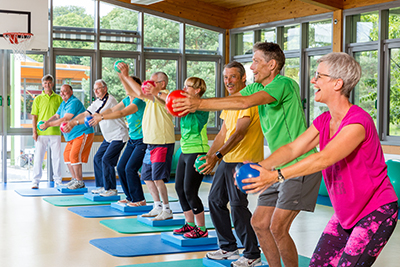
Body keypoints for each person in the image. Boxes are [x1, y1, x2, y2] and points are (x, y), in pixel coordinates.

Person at [173, 42, 322, 267]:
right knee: (260, 223)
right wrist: (190, 103)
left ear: (272, 65)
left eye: (255, 61)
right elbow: (234, 101)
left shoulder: (284, 84)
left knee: (277, 227)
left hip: (299, 165)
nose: (251, 67)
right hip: (275, 165)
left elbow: (244, 102)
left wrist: (199, 103)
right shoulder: (254, 88)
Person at [242, 52, 399, 267]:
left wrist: (275, 176)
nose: (313, 80)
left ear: (337, 83)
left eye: (319, 76)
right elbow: (292, 148)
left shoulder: (357, 122)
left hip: (375, 212)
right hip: (346, 214)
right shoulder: (324, 120)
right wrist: (261, 167)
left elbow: (323, 158)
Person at [197, 62, 263, 266]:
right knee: (215, 200)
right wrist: (210, 156)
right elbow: (224, 132)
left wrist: (216, 155)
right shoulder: (230, 102)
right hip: (228, 160)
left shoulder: (248, 101)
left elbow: (239, 133)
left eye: (233, 77)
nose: (228, 82)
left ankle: (252, 254)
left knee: (237, 206)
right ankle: (228, 248)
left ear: (243, 78)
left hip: (244, 161)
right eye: (226, 78)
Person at [118, 63, 175, 221]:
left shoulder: (164, 95)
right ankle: (156, 206)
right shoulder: (150, 98)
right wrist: (124, 76)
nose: (148, 84)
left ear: (161, 84)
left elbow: (142, 92)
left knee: (157, 178)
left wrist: (127, 76)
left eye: (153, 81)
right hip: (150, 143)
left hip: (162, 142)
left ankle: (167, 208)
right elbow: (134, 92)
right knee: (147, 176)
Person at [65, 79, 129, 197]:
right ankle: (102, 186)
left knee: (106, 160)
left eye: (98, 88)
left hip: (118, 135)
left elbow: (95, 115)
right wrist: (72, 122)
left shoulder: (109, 100)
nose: (96, 91)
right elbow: (85, 113)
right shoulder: (97, 102)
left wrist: (75, 123)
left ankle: (111, 189)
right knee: (97, 158)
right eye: (94, 89)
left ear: (105, 88)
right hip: (108, 137)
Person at [90, 76, 147, 207]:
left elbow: (122, 113)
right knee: (121, 167)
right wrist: (99, 115)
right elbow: (113, 109)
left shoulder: (139, 101)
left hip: (142, 140)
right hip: (132, 140)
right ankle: (130, 197)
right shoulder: (127, 99)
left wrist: (102, 117)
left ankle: (139, 199)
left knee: (130, 168)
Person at [166, 77, 210, 238]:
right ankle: (190, 224)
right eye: (183, 85)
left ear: (197, 90)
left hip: (197, 151)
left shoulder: (201, 107)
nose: (183, 89)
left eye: (188, 86)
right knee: (179, 188)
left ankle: (202, 229)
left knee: (190, 191)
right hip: (185, 151)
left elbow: (186, 106)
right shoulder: (185, 106)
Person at [40, 84, 94, 190]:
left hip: (82, 132)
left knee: (74, 156)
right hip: (71, 136)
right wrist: (47, 121)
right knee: (67, 156)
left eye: (65, 91)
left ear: (71, 92)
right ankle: (74, 179)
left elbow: (65, 119)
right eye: (61, 91)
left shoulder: (73, 102)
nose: (62, 93)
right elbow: (57, 115)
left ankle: (79, 181)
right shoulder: (64, 103)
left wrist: (48, 125)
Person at [31, 74, 63, 189]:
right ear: (42, 84)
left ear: (52, 84)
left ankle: (58, 180)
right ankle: (35, 181)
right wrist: (34, 132)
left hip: (55, 132)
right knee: (38, 157)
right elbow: (34, 117)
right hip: (41, 133)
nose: (47, 85)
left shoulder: (59, 98)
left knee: (57, 158)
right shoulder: (38, 99)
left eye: (49, 83)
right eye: (45, 83)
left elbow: (61, 116)